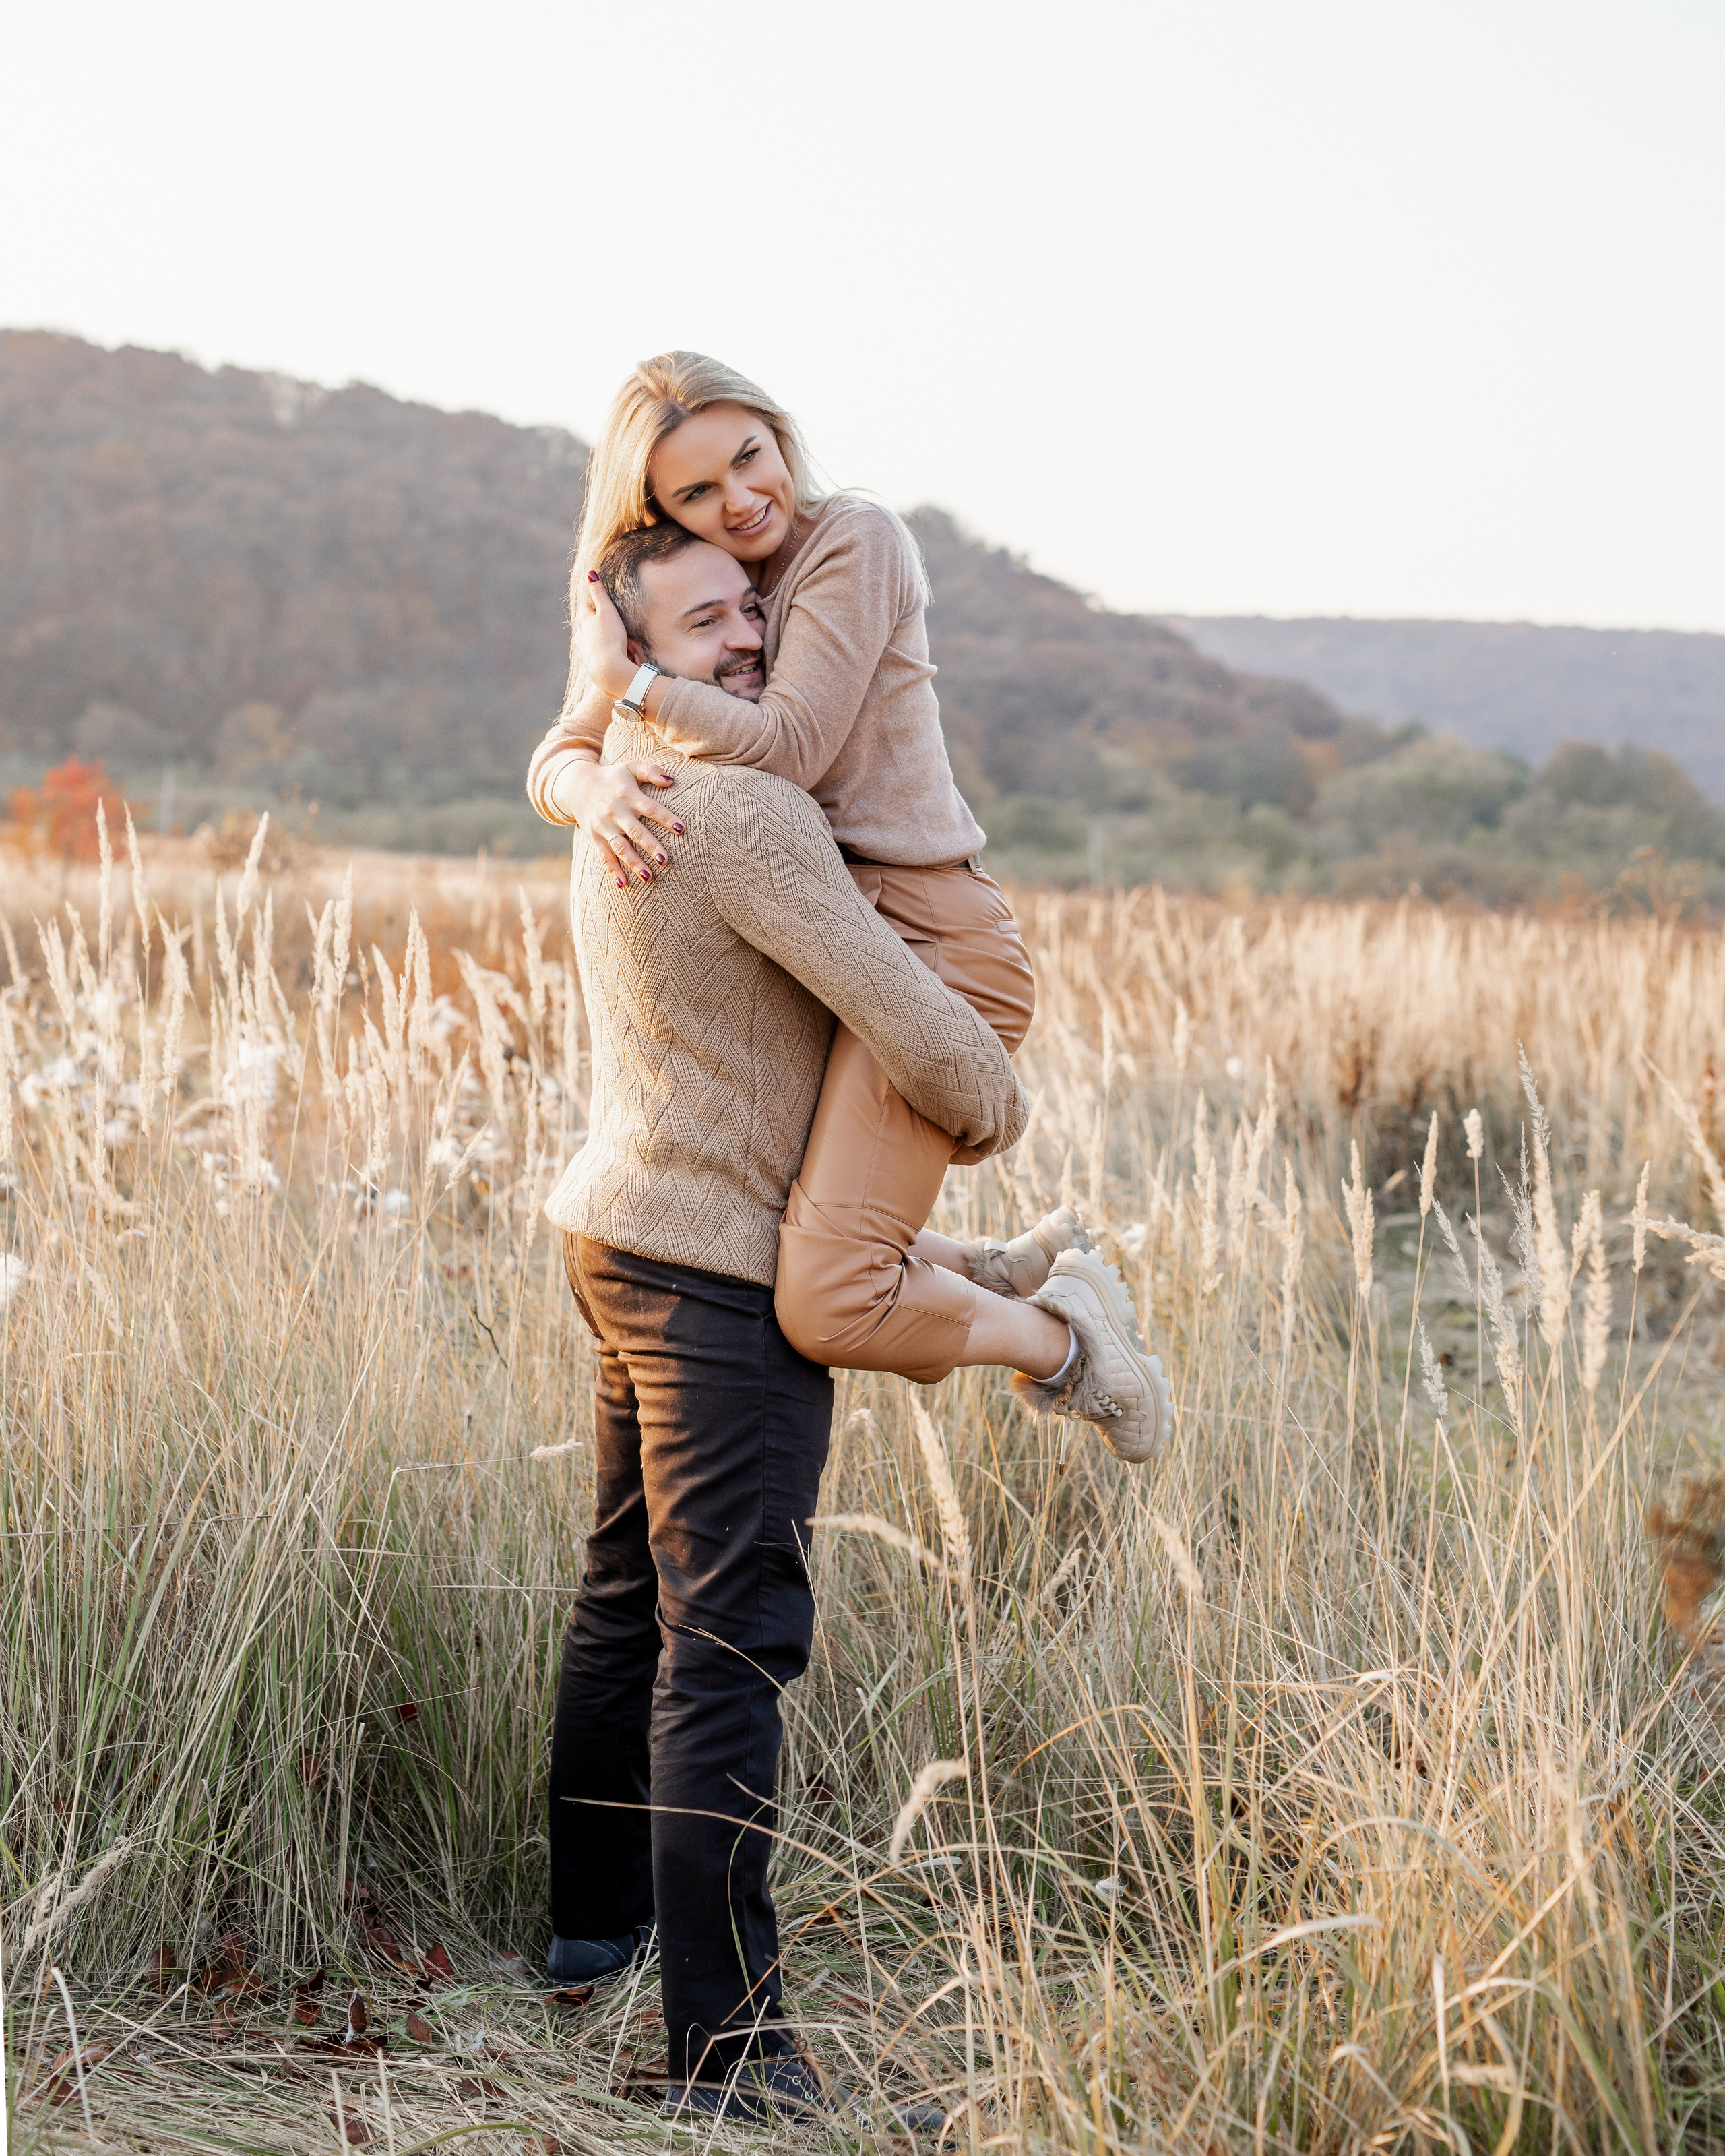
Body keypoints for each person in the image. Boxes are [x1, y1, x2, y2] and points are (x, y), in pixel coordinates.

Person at [536, 567, 1029, 2120]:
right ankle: (729, 2054)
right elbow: (915, 1020)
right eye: (704, 625)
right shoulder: (739, 809)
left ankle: (590, 1928)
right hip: (708, 1276)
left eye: (754, 614)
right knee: (732, 1644)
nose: (747, 637)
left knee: (627, 1600)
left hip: (612, 1229)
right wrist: (992, 1104)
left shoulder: (627, 792)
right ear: (633, 655)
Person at [530, 353, 1172, 1456]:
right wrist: (587, 783)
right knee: (790, 1233)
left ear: (780, 436)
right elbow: (559, 752)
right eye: (696, 493)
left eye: (749, 456)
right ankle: (998, 1267)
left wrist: (627, 689)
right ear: (657, 511)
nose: (739, 500)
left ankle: (1064, 1340)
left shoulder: (852, 543)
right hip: (816, 932)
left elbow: (788, 745)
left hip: (927, 937)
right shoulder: (700, 592)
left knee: (826, 1300)